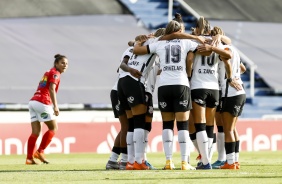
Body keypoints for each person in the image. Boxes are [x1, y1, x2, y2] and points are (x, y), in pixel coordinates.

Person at [133, 19, 199, 170]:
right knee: (182, 125)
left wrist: (137, 42)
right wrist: (196, 37)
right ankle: (184, 162)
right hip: (180, 84)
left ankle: (169, 161)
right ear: (179, 31)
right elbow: (203, 48)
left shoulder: (159, 44)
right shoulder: (186, 43)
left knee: (167, 125)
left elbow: (137, 50)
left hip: (163, 86)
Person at [118, 28, 165, 170]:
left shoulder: (138, 44)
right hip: (135, 82)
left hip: (122, 82)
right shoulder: (156, 44)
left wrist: (137, 40)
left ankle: (131, 162)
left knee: (132, 124)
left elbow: (125, 57)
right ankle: (139, 160)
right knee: (139, 123)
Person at [26, 54, 68, 165]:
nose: (65, 65)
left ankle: (29, 158)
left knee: (35, 132)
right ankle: (40, 151)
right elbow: (51, 88)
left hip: (33, 101)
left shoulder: (49, 71)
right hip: (42, 102)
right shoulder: (55, 73)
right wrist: (55, 106)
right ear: (56, 64)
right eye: (62, 63)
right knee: (53, 127)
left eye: (66, 64)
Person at [106, 46, 132, 170]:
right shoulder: (133, 50)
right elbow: (122, 66)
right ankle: (124, 161)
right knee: (127, 127)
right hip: (120, 91)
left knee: (125, 127)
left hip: (121, 90)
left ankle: (113, 160)